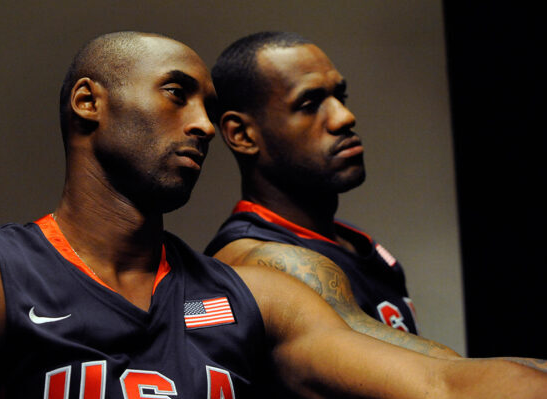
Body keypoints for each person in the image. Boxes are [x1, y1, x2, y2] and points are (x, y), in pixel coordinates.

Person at [0, 31, 547, 399]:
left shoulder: (257, 297)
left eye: (209, 105)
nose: (205, 125)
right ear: (89, 103)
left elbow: (441, 382)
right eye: (178, 95)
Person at [204, 31, 546, 369]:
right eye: (309, 105)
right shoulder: (261, 261)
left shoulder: (355, 242)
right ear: (242, 134)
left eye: (341, 96)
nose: (344, 117)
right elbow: (444, 378)